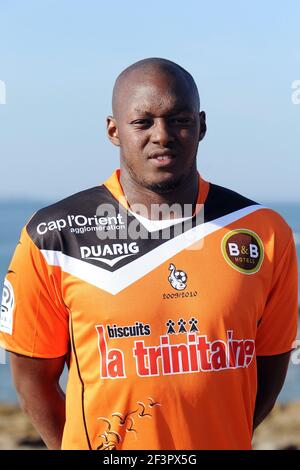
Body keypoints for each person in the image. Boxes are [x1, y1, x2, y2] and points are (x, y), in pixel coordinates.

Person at [0, 58, 298, 450]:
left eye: (179, 120)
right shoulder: (54, 236)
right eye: (143, 122)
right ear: (114, 130)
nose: (163, 135)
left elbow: (271, 364)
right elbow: (30, 377)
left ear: (201, 125)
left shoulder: (263, 231)